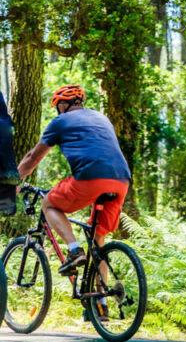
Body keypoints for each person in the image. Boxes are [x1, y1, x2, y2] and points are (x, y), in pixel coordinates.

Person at [15, 85, 131, 277]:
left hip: (91, 177)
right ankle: (100, 301)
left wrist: (13, 183)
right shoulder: (103, 119)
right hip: (122, 180)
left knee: (49, 204)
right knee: (97, 241)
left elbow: (32, 159)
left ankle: (74, 250)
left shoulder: (60, 121)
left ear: (61, 105)